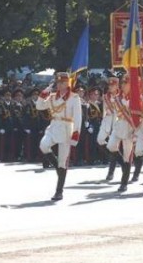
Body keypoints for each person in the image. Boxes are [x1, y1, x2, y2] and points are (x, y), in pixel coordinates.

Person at [36, 72, 82, 201]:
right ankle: (57, 167)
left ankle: (59, 191)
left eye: (63, 82)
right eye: (58, 82)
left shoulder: (74, 97)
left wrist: (76, 132)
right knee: (43, 145)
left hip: (67, 128)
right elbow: (39, 106)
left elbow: (78, 117)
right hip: (54, 125)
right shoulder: (51, 97)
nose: (60, 84)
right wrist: (44, 93)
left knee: (63, 160)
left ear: (68, 83)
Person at [106, 74, 136, 192]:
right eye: (122, 83)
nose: (123, 85)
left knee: (127, 156)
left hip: (129, 127)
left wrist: (136, 130)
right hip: (118, 125)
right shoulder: (117, 98)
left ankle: (124, 183)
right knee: (111, 146)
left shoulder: (135, 98)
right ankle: (124, 167)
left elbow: (138, 115)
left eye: (126, 83)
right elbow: (115, 113)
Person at [98, 77, 119, 180]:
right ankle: (116, 157)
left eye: (113, 85)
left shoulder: (120, 96)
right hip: (107, 121)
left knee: (113, 146)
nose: (111, 87)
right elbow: (104, 111)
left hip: (117, 121)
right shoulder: (105, 96)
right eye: (110, 85)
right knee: (100, 140)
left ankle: (111, 172)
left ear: (117, 86)